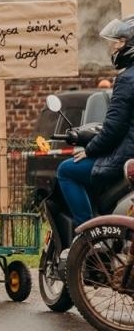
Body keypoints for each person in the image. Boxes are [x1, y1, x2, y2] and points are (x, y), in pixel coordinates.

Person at [56, 16, 134, 229]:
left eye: (119, 41)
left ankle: (88, 233)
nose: (115, 47)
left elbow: (114, 129)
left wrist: (90, 150)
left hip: (124, 158)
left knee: (66, 170)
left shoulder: (127, 79)